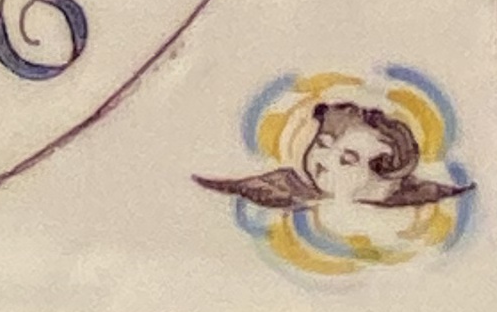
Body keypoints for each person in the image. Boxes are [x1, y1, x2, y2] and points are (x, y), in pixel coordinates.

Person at [199, 93, 466, 221]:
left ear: (387, 175)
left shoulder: (402, 209)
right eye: (322, 144)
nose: (324, 159)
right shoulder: (291, 190)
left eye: (347, 159)